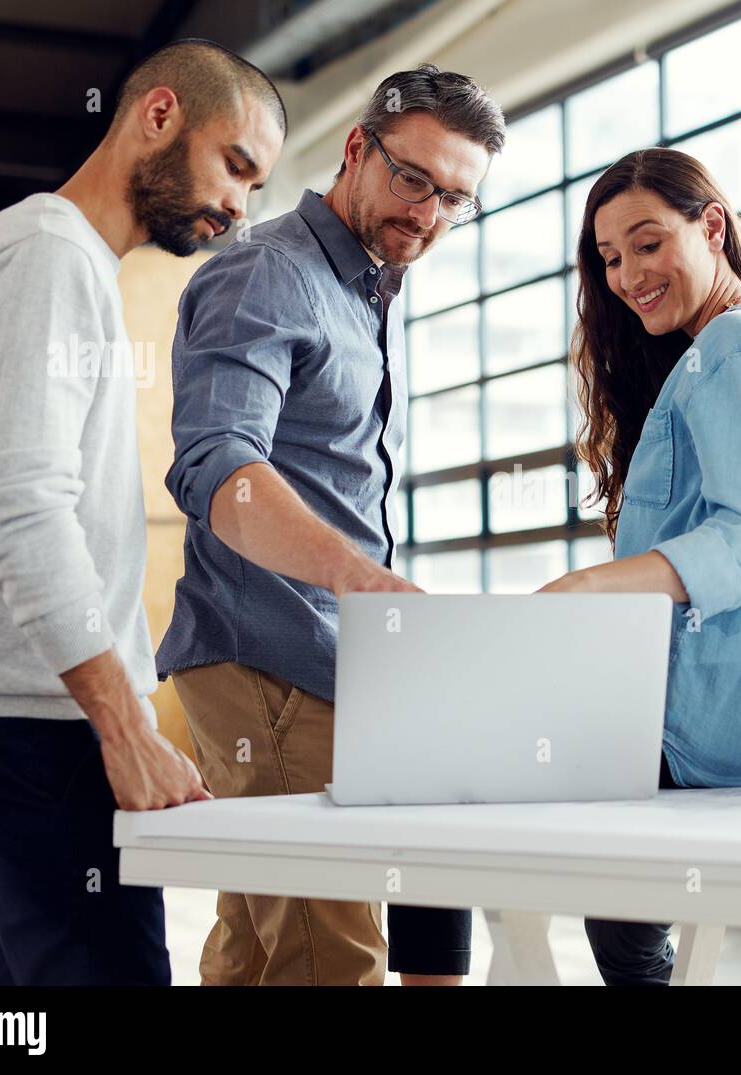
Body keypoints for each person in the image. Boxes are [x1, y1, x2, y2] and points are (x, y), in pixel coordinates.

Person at [0, 39, 286, 985]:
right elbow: (24, 507)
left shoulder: (49, 256)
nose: (239, 208)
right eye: (235, 166)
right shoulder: (50, 255)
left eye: (257, 188)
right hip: (42, 727)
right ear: (159, 116)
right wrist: (126, 728)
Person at [156, 64, 505, 986]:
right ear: (358, 148)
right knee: (332, 952)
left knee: (257, 943)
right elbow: (217, 463)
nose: (428, 212)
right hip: (267, 650)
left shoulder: (369, 289)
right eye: (414, 178)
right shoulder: (268, 272)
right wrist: (359, 579)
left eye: (455, 199)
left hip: (332, 655)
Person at [539, 148, 741, 985]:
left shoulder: (738, 344)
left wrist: (585, 587)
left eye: (648, 244)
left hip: (725, 715)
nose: (626, 275)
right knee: (610, 895)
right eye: (610, 259)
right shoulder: (737, 348)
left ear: (710, 225)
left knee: (492, 811)